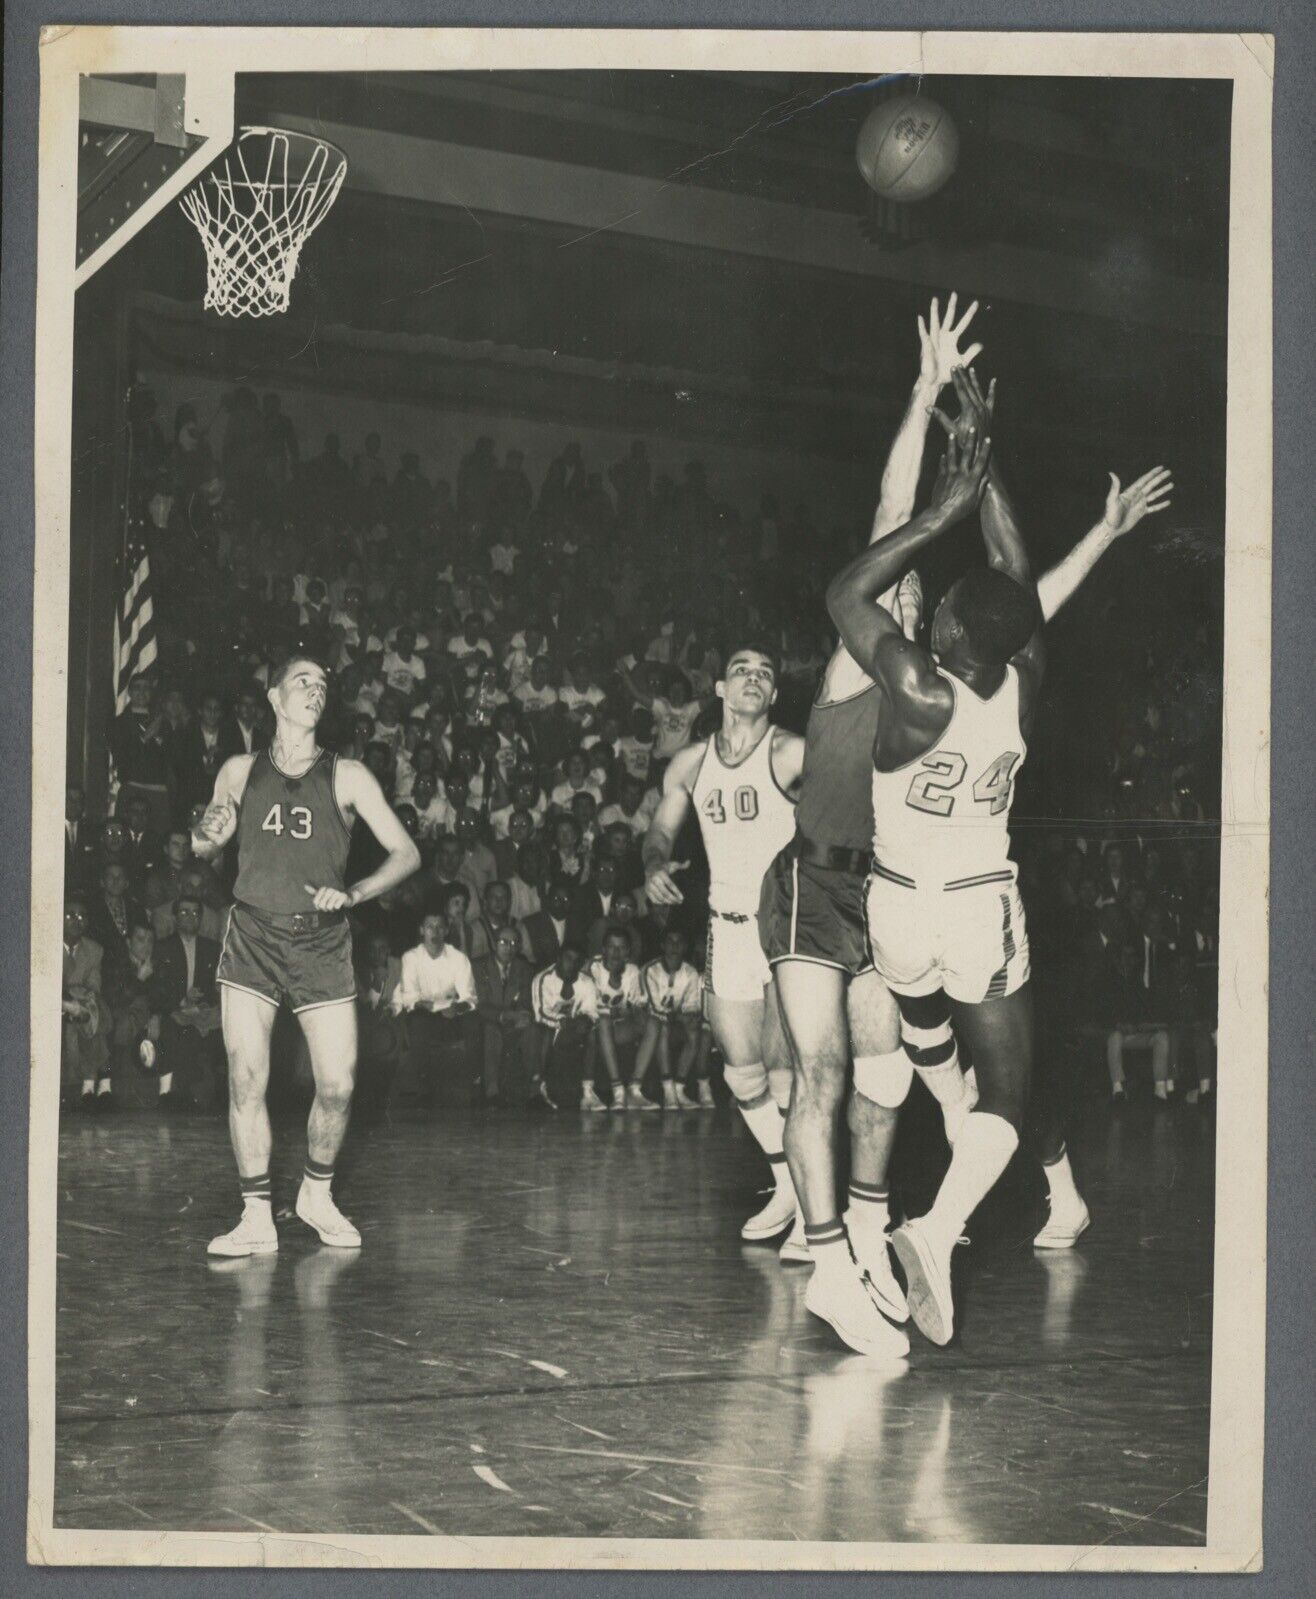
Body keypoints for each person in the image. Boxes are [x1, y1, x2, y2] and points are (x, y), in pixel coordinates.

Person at [827, 367, 1172, 1344]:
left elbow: (845, 588)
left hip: (893, 906)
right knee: (1006, 1096)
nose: (930, 611)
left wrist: (945, 502)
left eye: (939, 610)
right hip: (975, 902)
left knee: (939, 1042)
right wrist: (990, 476)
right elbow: (1021, 590)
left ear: (943, 632)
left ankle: (946, 1157)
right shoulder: (1017, 682)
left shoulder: (911, 688)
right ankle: (936, 1228)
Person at [191, 653, 421, 1257]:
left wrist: (355, 892)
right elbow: (204, 844)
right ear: (273, 697)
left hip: (320, 940)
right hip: (253, 937)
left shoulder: (347, 775)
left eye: (323, 683)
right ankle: (255, 1214)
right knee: (246, 1076)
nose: (315, 689)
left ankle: (316, 1194)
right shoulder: (239, 769)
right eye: (302, 680)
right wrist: (208, 833)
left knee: (339, 1085)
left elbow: (405, 852)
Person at [643, 643, 802, 1240]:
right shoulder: (687, 764)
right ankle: (791, 1186)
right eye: (742, 669)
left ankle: (816, 1213)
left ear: (775, 694)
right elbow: (658, 831)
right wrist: (654, 864)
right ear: (719, 688)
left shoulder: (791, 754)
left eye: (766, 672)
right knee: (743, 1073)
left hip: (786, 928)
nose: (754, 678)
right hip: (727, 925)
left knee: (788, 1069)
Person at [392, 912, 481, 1107]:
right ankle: (424, 1089)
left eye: (440, 927)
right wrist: (419, 1003)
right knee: (417, 1021)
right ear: (422, 930)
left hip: (451, 1014)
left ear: (447, 931)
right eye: (430, 927)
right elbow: (409, 996)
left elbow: (470, 997)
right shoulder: (411, 957)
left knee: (474, 1021)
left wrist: (457, 1009)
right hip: (424, 1014)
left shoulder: (458, 958)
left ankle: (475, 1085)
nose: (435, 932)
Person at [638, 926, 712, 1109]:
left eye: (679, 942)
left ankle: (680, 1089)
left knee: (695, 1030)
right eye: (670, 941)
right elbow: (654, 1008)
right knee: (660, 1025)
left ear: (685, 947)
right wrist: (679, 1017)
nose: (674, 946)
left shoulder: (691, 972)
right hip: (649, 1024)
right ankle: (668, 1089)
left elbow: (692, 1008)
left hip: (674, 1023)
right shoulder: (650, 969)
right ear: (662, 945)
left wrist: (684, 1018)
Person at [585, 927, 649, 1110]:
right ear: (603, 949)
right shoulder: (593, 967)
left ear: (628, 951)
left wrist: (633, 1011)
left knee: (653, 1022)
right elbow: (593, 1006)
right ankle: (618, 1091)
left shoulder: (632, 970)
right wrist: (622, 1011)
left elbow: (637, 1003)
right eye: (611, 947)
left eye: (621, 948)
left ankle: (635, 1090)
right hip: (597, 1029)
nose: (616, 952)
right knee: (604, 1021)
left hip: (620, 1027)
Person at [530, 945, 599, 1110]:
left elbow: (591, 1011)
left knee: (592, 1033)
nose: (572, 964)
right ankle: (540, 1087)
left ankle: (588, 1092)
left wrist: (586, 1020)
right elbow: (541, 1013)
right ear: (558, 959)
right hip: (549, 1030)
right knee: (544, 1032)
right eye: (568, 958)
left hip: (573, 1032)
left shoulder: (586, 982)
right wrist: (565, 1022)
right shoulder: (543, 979)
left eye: (577, 961)